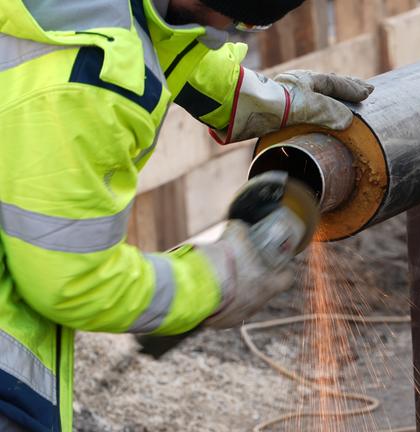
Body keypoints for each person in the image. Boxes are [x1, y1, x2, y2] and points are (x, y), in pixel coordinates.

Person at [0, 0, 374, 430]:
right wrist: (218, 277)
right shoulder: (88, 85)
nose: (233, 33)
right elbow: (75, 282)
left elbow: (155, 30)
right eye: (242, 19)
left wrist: (258, 97)